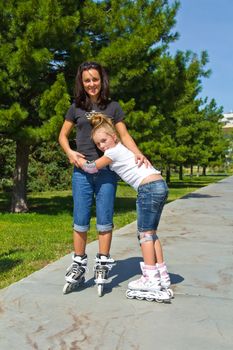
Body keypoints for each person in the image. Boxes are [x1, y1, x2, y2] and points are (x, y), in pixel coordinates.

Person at [58, 61, 149, 292]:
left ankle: (102, 262)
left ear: (102, 80)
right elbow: (62, 135)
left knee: (105, 219)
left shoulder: (113, 107)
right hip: (82, 172)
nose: (91, 84)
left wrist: (139, 153)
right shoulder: (75, 107)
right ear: (82, 82)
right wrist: (70, 152)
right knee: (80, 220)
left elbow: (124, 134)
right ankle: (78, 264)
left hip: (107, 172)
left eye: (95, 79)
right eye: (87, 80)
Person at [79, 113, 171, 298]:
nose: (102, 146)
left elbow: (92, 167)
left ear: (114, 137)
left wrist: (78, 159)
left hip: (148, 187)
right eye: (98, 144)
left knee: (144, 234)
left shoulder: (112, 152)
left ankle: (150, 278)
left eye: (104, 140)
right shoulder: (123, 150)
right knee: (151, 233)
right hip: (160, 184)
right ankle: (162, 274)